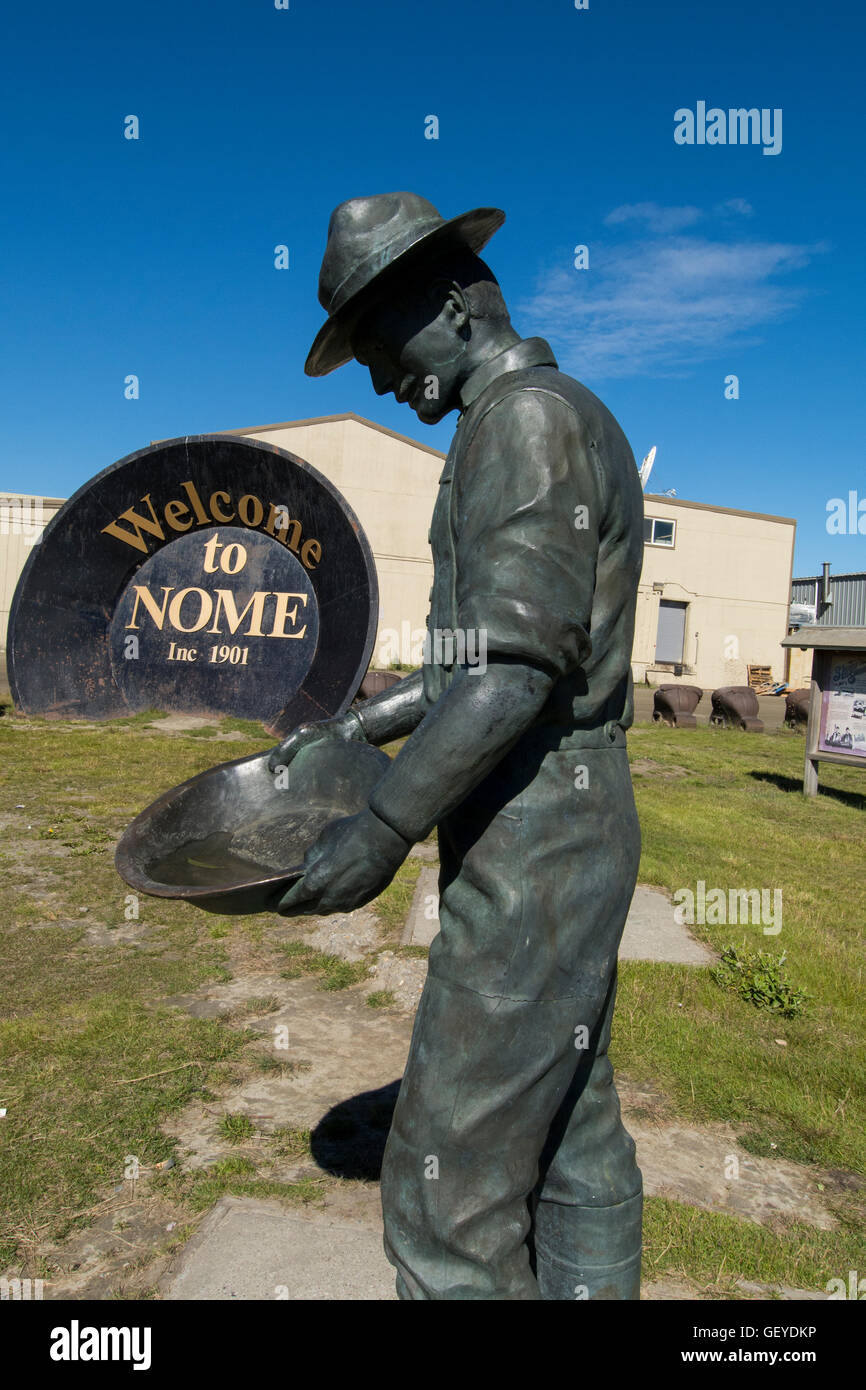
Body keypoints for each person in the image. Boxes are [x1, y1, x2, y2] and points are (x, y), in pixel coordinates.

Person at [270, 192, 645, 1300]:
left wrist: (384, 825)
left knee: (446, 1198)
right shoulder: (537, 414)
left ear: (451, 305)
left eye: (382, 351)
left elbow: (516, 672)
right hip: (561, 819)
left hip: (537, 836)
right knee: (569, 1131)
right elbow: (473, 663)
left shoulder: (521, 421)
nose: (382, 382)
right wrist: (360, 724)